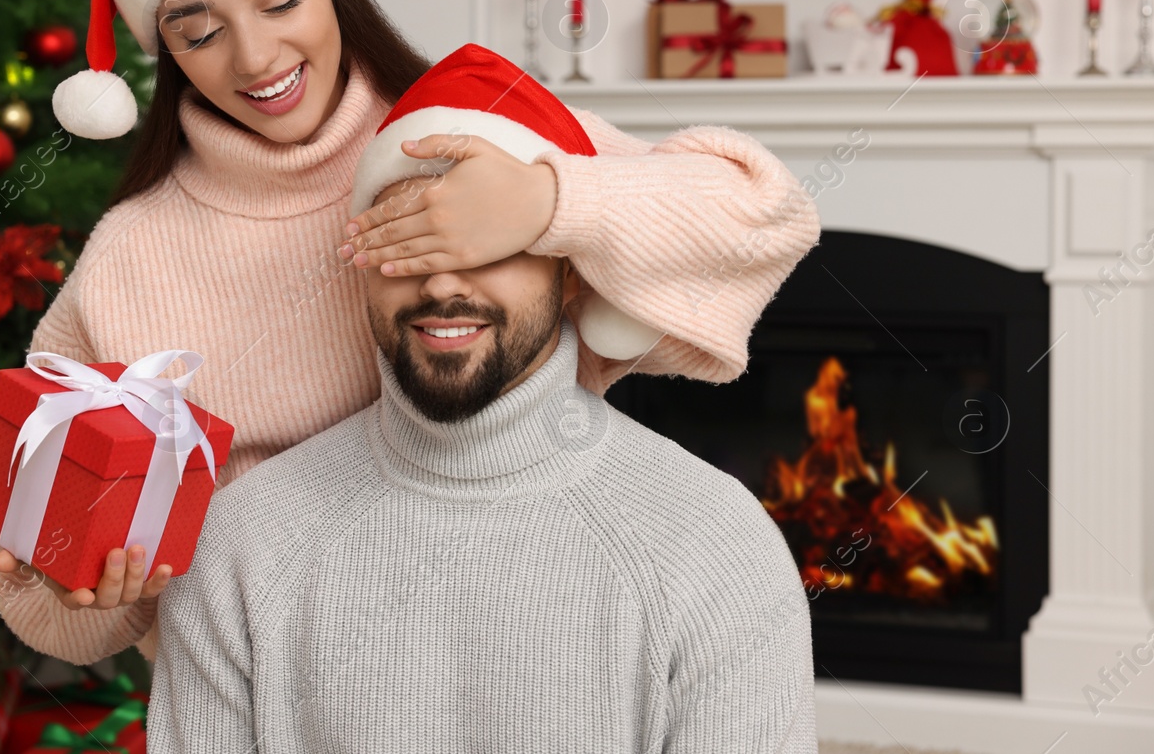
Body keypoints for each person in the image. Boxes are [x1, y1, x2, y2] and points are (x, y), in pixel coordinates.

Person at [0, 0, 821, 668]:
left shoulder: (466, 136)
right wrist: (108, 589)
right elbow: (35, 598)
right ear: (167, 54)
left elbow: (767, 214)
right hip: (279, 680)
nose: (256, 58)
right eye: (200, 33)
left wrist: (548, 203)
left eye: (281, 0)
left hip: (521, 634)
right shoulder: (131, 256)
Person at [148, 47, 818, 753]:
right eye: (406, 240)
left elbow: (767, 204)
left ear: (570, 278)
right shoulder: (240, 546)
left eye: (491, 244)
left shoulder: (715, 548)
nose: (441, 285)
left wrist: (555, 197)